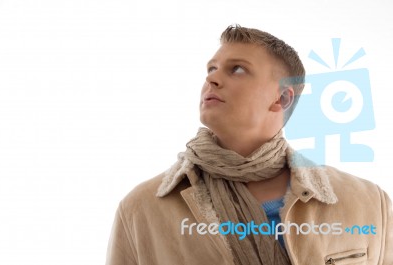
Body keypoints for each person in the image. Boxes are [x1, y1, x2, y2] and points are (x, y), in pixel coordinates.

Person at [105, 25, 392, 265]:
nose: (212, 78)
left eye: (237, 70)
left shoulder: (367, 202)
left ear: (282, 99)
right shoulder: (142, 210)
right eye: (212, 68)